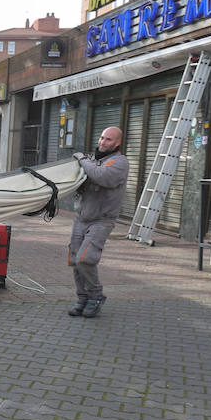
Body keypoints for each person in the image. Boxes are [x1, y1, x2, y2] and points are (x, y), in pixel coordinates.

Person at [68, 126, 129, 318]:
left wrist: (82, 160)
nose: (103, 142)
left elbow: (101, 176)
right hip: (81, 218)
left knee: (85, 259)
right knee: (75, 261)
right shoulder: (94, 160)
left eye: (108, 140)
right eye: (102, 137)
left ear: (117, 143)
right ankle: (82, 298)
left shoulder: (119, 162)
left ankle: (96, 296)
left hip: (102, 221)